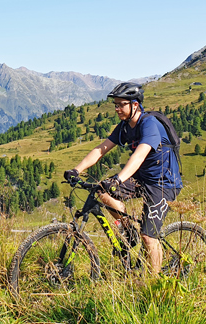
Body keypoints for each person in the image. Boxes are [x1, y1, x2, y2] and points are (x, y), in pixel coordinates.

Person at [64, 82, 182, 275]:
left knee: (149, 237)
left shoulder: (150, 124)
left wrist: (118, 179)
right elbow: (101, 149)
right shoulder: (125, 127)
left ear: (135, 104)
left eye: (121, 104)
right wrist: (76, 170)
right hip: (141, 177)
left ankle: (153, 286)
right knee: (101, 190)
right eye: (115, 105)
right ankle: (129, 231)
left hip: (163, 184)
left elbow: (140, 155)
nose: (117, 109)